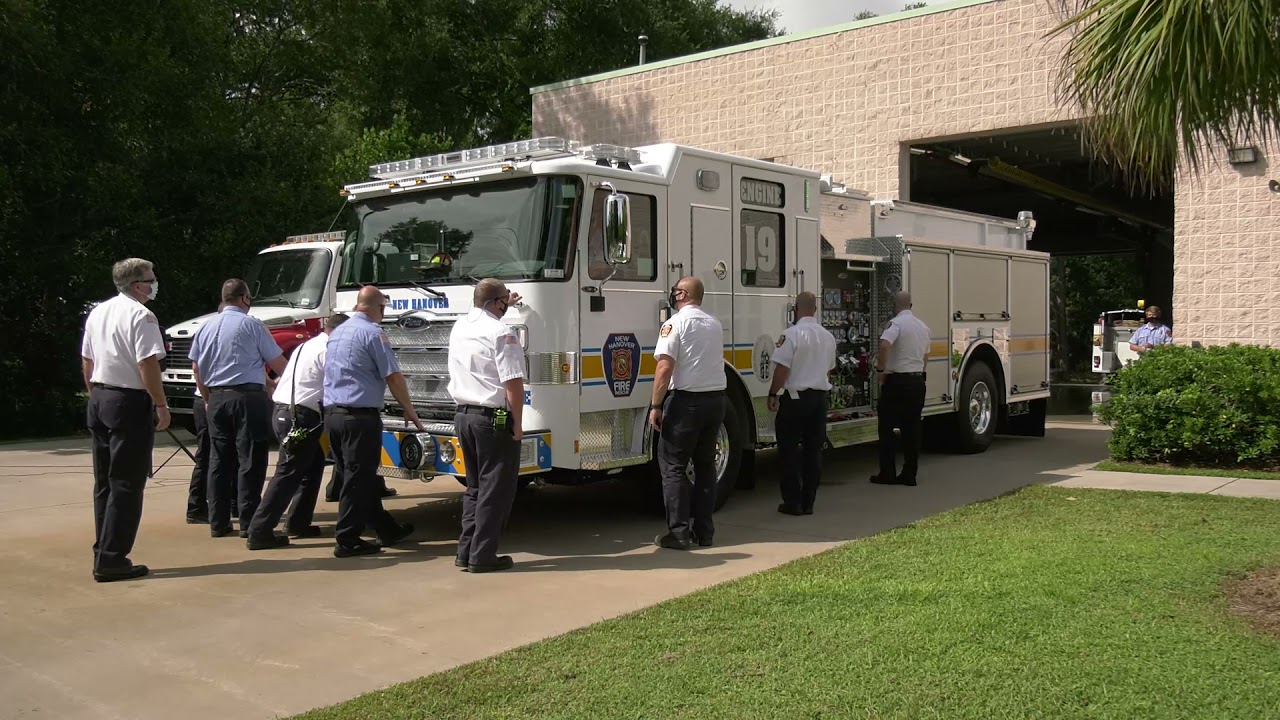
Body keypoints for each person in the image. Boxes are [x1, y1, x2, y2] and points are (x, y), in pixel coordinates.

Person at [80, 258, 170, 582]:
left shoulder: (98, 311)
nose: (154, 282)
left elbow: (87, 359)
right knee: (127, 483)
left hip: (101, 396)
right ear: (137, 285)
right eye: (150, 278)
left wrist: (95, 394)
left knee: (105, 482)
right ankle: (112, 557)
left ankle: (103, 548)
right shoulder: (142, 315)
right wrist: (161, 404)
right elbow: (147, 364)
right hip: (127, 400)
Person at [322, 285, 420, 557]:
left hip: (333, 415)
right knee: (358, 479)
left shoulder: (338, 332)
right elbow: (393, 375)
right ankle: (347, 538)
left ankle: (386, 529)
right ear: (378, 308)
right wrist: (409, 409)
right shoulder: (374, 334)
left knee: (356, 476)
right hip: (359, 418)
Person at [189, 279, 287, 538]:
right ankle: (249, 522)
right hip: (247, 398)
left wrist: (209, 397)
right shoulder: (252, 325)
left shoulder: (206, 327)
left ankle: (218, 522)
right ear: (244, 298)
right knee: (250, 460)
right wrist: (281, 383)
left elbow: (196, 368)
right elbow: (278, 363)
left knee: (219, 462)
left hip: (216, 398)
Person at [245, 313, 349, 550]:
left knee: (312, 467)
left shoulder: (308, 345)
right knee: (288, 473)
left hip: (286, 411)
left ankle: (298, 522)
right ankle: (259, 530)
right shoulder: (330, 350)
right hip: (300, 416)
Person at [447, 278, 526, 573]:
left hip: (464, 416)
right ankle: (483, 556)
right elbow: (513, 385)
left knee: (475, 487)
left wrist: (506, 301)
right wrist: (517, 425)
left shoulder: (461, 325)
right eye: (505, 301)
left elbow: (489, 310)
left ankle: (465, 551)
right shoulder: (502, 332)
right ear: (497, 303)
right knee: (497, 488)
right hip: (494, 417)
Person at [649, 276, 726, 550]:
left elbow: (664, 367)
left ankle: (679, 533)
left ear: (682, 294)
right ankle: (704, 532)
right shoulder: (714, 324)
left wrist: (656, 405)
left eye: (674, 291)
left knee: (673, 467)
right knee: (706, 467)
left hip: (687, 403)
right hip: (716, 401)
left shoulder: (674, 324)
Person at [767, 291, 837, 515]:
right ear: (815, 309)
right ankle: (809, 502)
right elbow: (829, 368)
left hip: (796, 400)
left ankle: (792, 502)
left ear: (796, 309)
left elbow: (782, 369)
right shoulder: (827, 336)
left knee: (789, 451)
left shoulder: (791, 335)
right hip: (819, 400)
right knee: (813, 452)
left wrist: (772, 393)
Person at [871, 291, 930, 487]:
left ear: (895, 306)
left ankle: (887, 472)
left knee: (886, 428)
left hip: (897, 382)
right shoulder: (923, 327)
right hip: (917, 381)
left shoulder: (895, 324)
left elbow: (885, 345)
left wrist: (881, 369)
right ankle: (909, 474)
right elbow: (926, 356)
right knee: (912, 429)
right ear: (911, 305)